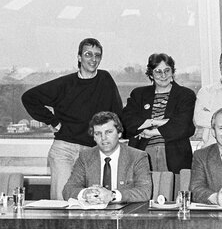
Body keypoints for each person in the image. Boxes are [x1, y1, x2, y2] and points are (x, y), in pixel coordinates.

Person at [22, 37, 123, 200]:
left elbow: (117, 114)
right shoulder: (65, 84)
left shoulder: (105, 80)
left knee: (92, 202)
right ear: (79, 57)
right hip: (65, 150)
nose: (93, 59)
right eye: (88, 54)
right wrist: (53, 121)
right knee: (62, 202)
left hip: (93, 152)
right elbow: (29, 97)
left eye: (97, 55)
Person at [122, 53, 196, 173]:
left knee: (173, 190)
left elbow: (183, 126)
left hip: (175, 157)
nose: (163, 75)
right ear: (151, 74)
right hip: (142, 154)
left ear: (172, 72)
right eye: (158, 71)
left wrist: (151, 132)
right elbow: (127, 123)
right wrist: (155, 121)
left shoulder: (185, 95)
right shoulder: (138, 94)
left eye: (167, 70)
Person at [61, 111, 151, 204]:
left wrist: (112, 195)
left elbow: (145, 192)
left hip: (125, 214)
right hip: (94, 215)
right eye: (98, 133)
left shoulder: (137, 157)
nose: (103, 138)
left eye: (109, 132)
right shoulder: (85, 157)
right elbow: (68, 190)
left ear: (119, 133)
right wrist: (85, 193)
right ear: (94, 137)